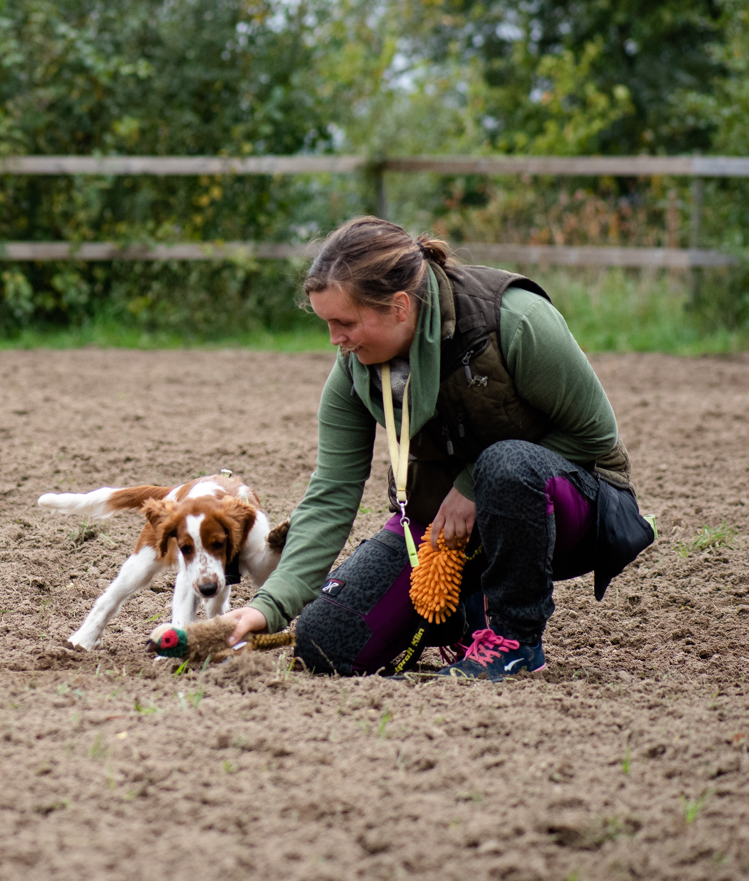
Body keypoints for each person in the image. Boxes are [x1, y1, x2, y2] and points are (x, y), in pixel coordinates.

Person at [224, 217, 652, 680]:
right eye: (327, 323)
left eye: (344, 322)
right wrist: (268, 607)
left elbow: (596, 437)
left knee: (504, 466)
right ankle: (464, 614)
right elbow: (332, 488)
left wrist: (472, 485)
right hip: (439, 533)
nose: (335, 340)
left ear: (400, 306)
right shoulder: (354, 368)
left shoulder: (514, 317)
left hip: (573, 512)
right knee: (324, 646)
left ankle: (515, 643)